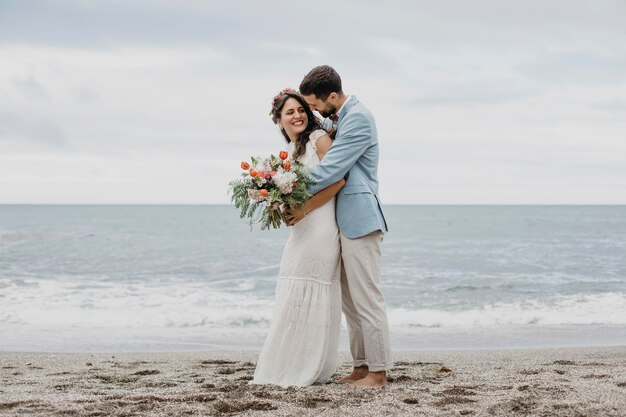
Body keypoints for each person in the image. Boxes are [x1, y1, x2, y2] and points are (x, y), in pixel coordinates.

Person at [286, 65, 392, 388]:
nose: (313, 110)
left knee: (367, 299)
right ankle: (362, 366)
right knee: (350, 301)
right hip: (343, 222)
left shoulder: (358, 118)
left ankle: (378, 372)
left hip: (360, 219)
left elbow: (332, 168)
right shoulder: (340, 118)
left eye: (315, 104)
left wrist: (291, 188)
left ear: (333, 96)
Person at [250, 89, 345, 387]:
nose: (297, 115)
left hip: (321, 227)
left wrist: (305, 209)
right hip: (301, 230)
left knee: (312, 291)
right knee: (292, 290)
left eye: (301, 109)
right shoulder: (288, 155)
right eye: (290, 112)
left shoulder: (319, 140)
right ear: (279, 121)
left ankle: (309, 367)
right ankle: (289, 363)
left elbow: (340, 179)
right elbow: (289, 193)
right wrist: (280, 206)